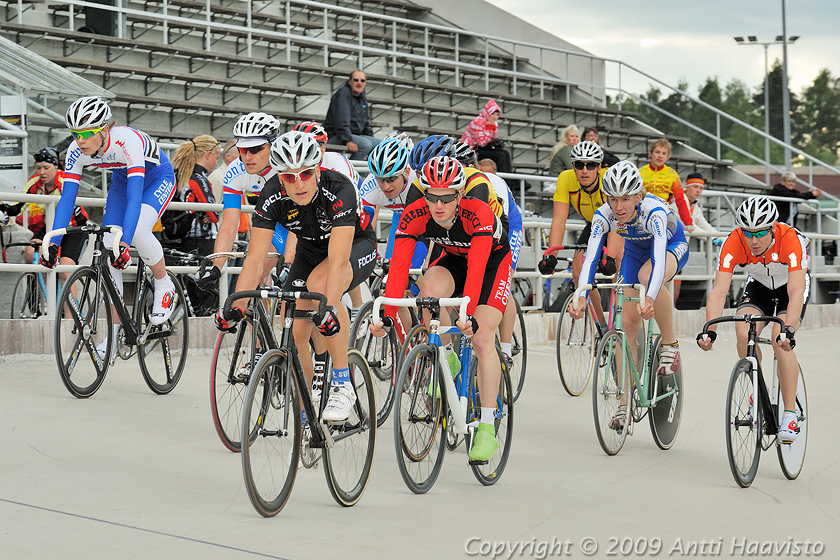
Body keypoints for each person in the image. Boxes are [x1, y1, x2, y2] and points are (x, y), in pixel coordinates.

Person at [215, 131, 377, 422]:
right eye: (289, 177)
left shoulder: (339, 188)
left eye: (305, 173)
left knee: (319, 288)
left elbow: (338, 261)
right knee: (296, 329)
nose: (298, 182)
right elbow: (254, 259)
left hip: (354, 245)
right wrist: (235, 305)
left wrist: (327, 306)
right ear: (279, 177)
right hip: (311, 249)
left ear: (317, 169)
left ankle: (343, 384)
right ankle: (306, 414)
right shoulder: (271, 194)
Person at [369, 156, 512, 462]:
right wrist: (388, 317)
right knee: (428, 292)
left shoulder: (479, 213)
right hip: (454, 259)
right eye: (432, 196)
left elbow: (476, 269)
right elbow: (398, 270)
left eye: (446, 198)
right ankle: (447, 358)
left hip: (490, 265)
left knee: (482, 338)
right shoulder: (415, 214)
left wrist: (468, 314)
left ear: (460, 195)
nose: (438, 205)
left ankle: (486, 427)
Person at [45, 96, 178, 357]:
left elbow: (136, 198)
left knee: (137, 230)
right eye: (75, 133)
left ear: (104, 130)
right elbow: (67, 200)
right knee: (107, 248)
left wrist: (125, 243)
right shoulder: (75, 151)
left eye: (86, 133)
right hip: (121, 183)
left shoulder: (126, 142)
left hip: (156, 179)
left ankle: (164, 283)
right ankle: (116, 334)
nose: (79, 140)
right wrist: (53, 244)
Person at [569, 160, 689, 430]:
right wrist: (581, 296)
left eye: (625, 199)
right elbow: (590, 260)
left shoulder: (654, 212)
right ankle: (624, 405)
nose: (619, 207)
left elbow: (658, 259)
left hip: (670, 247)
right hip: (635, 253)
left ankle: (670, 345)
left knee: (648, 279)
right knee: (625, 327)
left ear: (639, 196)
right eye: (613, 199)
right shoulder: (604, 215)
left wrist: (649, 298)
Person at [697, 196, 808, 442]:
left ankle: (789, 412)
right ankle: (758, 391)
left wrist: (788, 329)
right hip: (758, 285)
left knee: (779, 340)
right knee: (742, 331)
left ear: (773, 228)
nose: (754, 241)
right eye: (748, 233)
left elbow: (796, 291)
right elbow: (718, 291)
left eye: (760, 233)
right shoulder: (733, 242)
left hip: (789, 286)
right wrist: (710, 330)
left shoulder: (790, 239)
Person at [450, 140, 523, 366]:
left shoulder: (490, 182)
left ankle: (507, 347)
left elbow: (499, 222)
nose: (461, 170)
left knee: (503, 282)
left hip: (506, 227)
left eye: (465, 165)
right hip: (480, 232)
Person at [197, 112, 288, 289]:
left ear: (273, 146)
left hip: (298, 224)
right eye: (243, 149)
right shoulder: (235, 170)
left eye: (255, 149)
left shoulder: (286, 168)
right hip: (274, 225)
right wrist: (216, 267)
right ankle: (250, 314)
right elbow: (229, 225)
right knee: (252, 278)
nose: (247, 157)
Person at [539, 141, 623, 328]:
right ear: (573, 166)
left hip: (620, 222)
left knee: (618, 262)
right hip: (595, 223)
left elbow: (617, 223)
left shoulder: (607, 181)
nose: (585, 170)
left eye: (591, 165)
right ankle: (602, 328)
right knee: (578, 274)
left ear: (599, 167)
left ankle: (621, 321)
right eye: (579, 164)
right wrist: (551, 256)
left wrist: (608, 257)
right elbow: (559, 221)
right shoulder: (566, 179)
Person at [0, 147, 90, 284]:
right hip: (52, 227)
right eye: (38, 168)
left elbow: (78, 213)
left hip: (74, 229)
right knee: (31, 253)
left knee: (65, 273)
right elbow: (17, 207)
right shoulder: (34, 183)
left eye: (46, 167)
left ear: (55, 166)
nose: (42, 172)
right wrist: (4, 207)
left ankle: (68, 303)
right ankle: (41, 301)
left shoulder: (64, 180)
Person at [170, 135, 221, 256]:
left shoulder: (183, 173)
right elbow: (213, 215)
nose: (216, 163)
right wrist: (210, 212)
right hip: (202, 239)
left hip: (189, 237)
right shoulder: (197, 177)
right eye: (216, 158)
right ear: (208, 155)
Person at [672, 172, 718, 304]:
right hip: (670, 250)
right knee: (668, 288)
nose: (698, 190)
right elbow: (690, 227)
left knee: (675, 291)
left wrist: (724, 237)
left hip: (679, 252)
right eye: (695, 187)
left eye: (701, 188)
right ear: (687, 187)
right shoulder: (677, 204)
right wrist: (712, 239)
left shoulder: (695, 206)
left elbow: (704, 225)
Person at [322, 69, 380, 161]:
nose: (359, 83)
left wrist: (370, 137)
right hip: (335, 135)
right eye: (356, 80)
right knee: (365, 145)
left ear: (365, 83)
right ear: (350, 81)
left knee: (381, 146)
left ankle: (367, 173)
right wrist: (348, 140)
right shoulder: (343, 94)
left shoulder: (362, 96)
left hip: (354, 135)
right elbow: (341, 122)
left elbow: (366, 123)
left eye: (362, 80)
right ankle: (353, 172)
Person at [638, 138, 693, 228]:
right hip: (642, 214)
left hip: (663, 214)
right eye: (657, 152)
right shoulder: (640, 172)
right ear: (650, 154)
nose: (660, 156)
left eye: (664, 153)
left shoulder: (672, 174)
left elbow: (680, 200)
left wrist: (688, 222)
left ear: (668, 156)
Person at [460, 99, 512, 173]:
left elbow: (494, 138)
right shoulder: (478, 121)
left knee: (505, 153)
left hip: (482, 148)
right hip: (472, 149)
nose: (495, 117)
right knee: (500, 155)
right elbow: (481, 142)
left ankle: (509, 176)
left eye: (497, 115)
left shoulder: (494, 123)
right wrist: (490, 128)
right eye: (493, 114)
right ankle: (504, 177)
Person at [544, 124, 580, 190]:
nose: (575, 139)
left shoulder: (569, 149)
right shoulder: (565, 149)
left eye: (576, 136)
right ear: (565, 137)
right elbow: (572, 168)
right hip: (555, 183)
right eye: (572, 136)